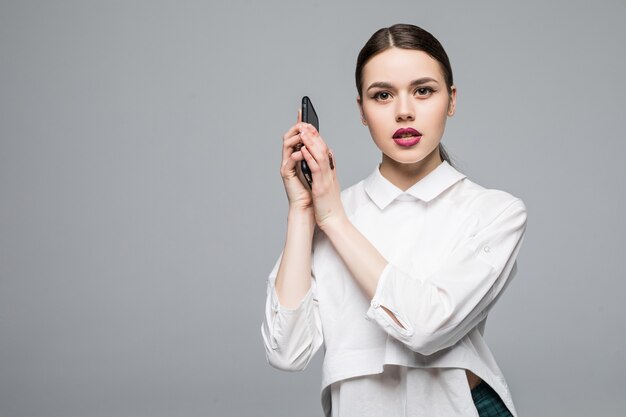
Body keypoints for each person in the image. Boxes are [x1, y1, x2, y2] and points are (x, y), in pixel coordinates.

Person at [261, 23, 527, 417]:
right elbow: (286, 352)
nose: (404, 111)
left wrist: (334, 219)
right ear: (362, 111)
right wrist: (303, 211)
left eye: (423, 90)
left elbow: (426, 327)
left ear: (451, 100)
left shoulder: (495, 212)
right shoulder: (329, 212)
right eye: (382, 95)